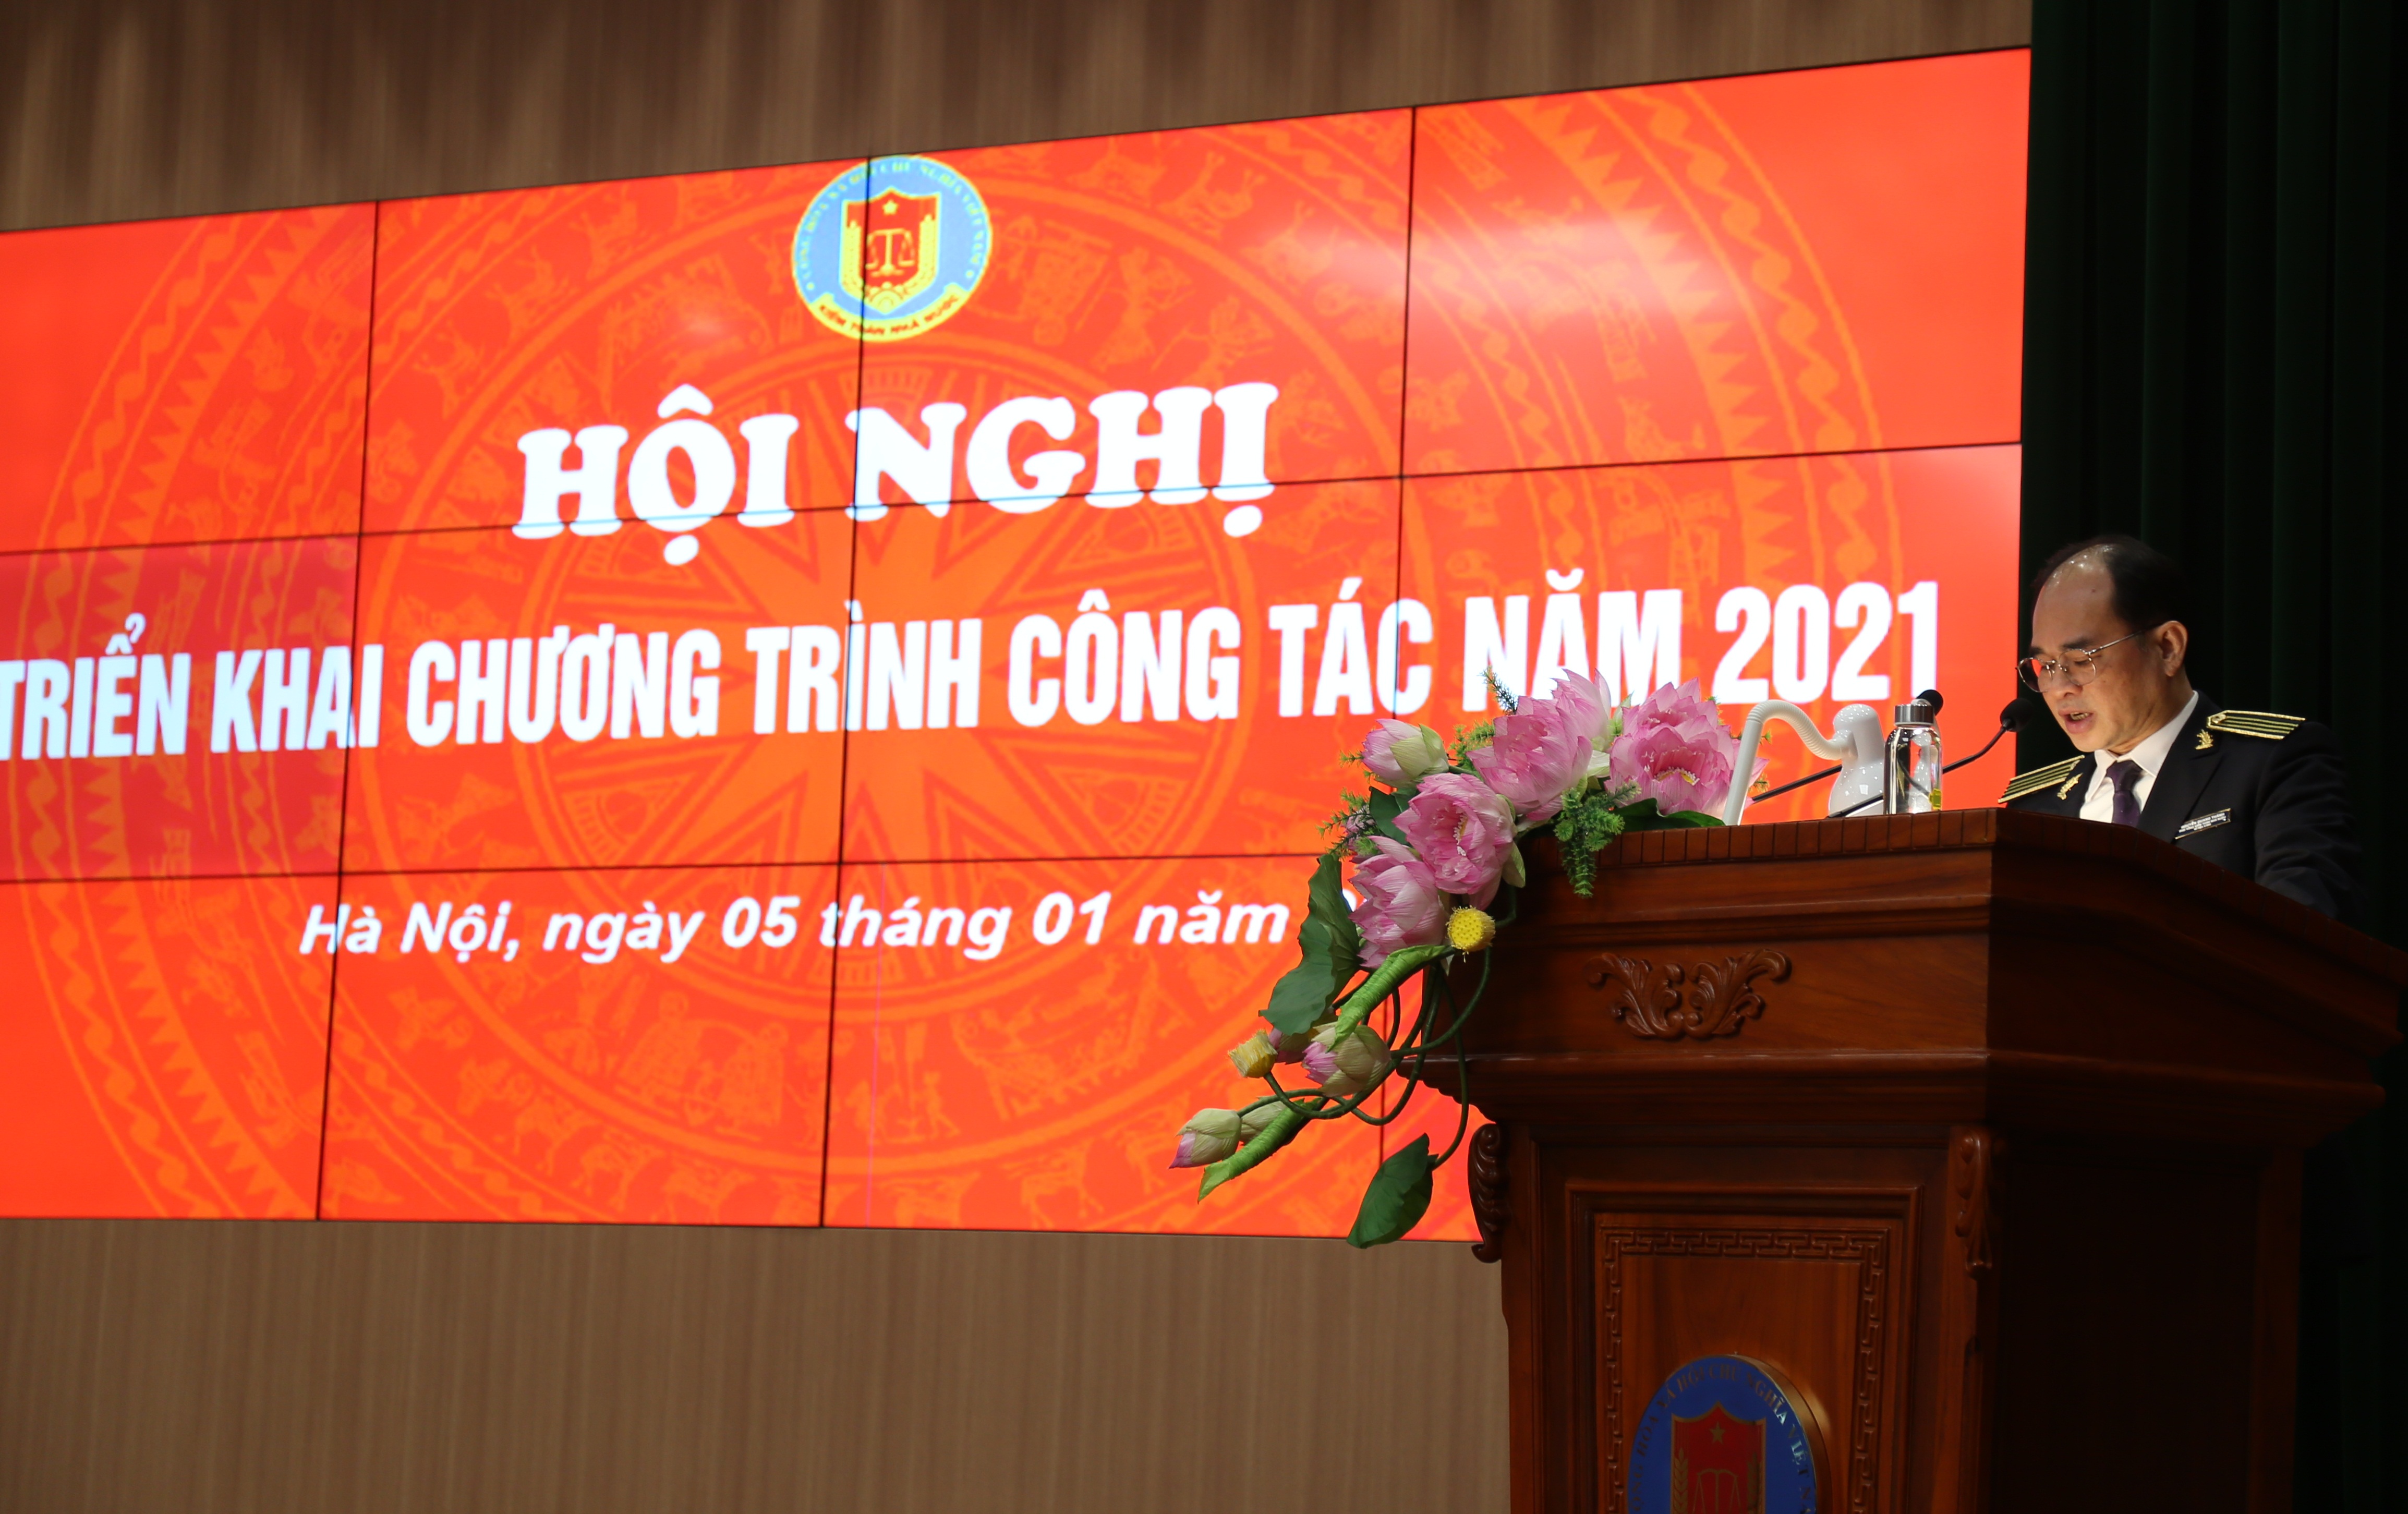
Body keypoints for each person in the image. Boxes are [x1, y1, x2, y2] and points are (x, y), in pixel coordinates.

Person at [2000, 535, 2359, 920]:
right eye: (2045, 666)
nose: (2058, 688)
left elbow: (2300, 929)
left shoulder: (2273, 764)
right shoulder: (2034, 808)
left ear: (2168, 647)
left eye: (2079, 659)